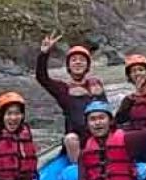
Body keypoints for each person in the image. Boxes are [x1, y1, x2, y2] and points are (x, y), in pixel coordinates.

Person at [36, 33, 108, 163]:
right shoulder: (62, 89)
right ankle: (77, 167)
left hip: (100, 135)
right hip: (77, 140)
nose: (78, 62)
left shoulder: (96, 85)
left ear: (87, 65)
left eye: (82, 59)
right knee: (70, 139)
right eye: (74, 60)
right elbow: (42, 77)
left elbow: (107, 111)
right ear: (69, 66)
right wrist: (44, 54)